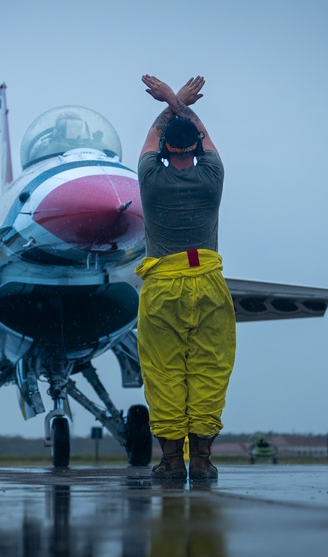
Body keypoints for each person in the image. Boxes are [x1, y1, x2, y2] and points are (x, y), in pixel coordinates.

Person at [136, 75, 237, 481]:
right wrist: (179, 102)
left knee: (164, 374)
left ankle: (171, 462)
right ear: (196, 149)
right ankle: (204, 459)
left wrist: (166, 100)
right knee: (210, 369)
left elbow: (150, 138)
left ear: (163, 150)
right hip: (209, 283)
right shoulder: (213, 176)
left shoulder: (150, 180)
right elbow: (203, 133)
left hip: (162, 286)